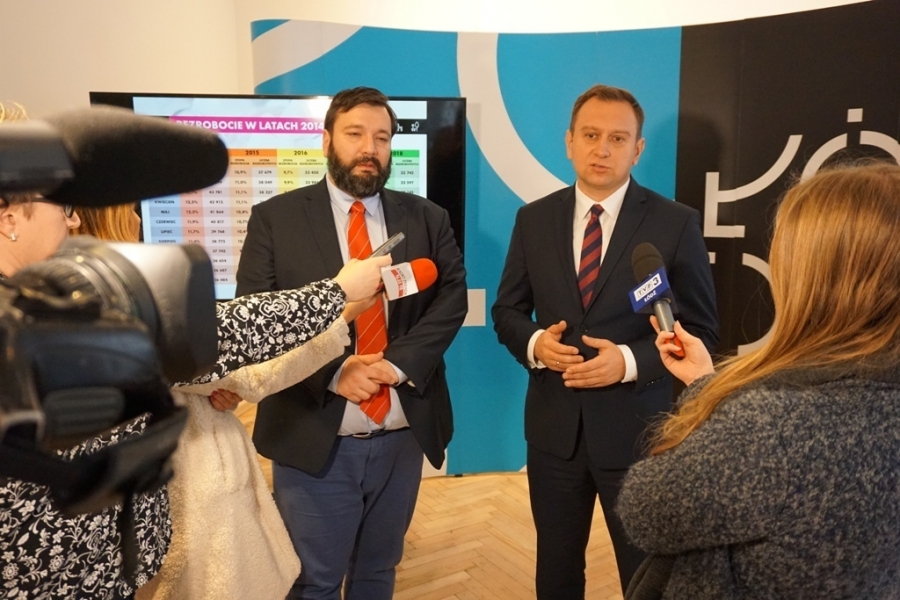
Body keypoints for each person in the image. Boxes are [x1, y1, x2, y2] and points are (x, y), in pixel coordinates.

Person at [0, 110, 389, 597]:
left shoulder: (38, 306)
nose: (73, 220)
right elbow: (227, 333)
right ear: (9, 218)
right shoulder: (36, 327)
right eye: (63, 205)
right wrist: (336, 294)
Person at [617, 162, 900, 599]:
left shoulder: (775, 426)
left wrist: (711, 410)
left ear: (815, 275)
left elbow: (644, 510)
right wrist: (704, 382)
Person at [70, 204, 382, 599]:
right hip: (193, 498)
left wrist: (201, 387)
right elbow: (254, 370)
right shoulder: (125, 307)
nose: (138, 219)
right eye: (130, 209)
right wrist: (343, 305)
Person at [236, 86, 468, 599]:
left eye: (382, 138)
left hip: (402, 432)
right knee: (313, 581)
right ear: (326, 141)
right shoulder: (275, 219)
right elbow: (257, 322)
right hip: (314, 432)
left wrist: (396, 365)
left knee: (377, 573)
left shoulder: (427, 217)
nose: (370, 148)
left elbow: (452, 299)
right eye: (356, 134)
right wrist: (334, 372)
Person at [491, 84, 719, 596]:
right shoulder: (533, 219)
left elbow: (702, 331)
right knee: (556, 572)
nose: (602, 149)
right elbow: (506, 311)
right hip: (554, 434)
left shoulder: (675, 223)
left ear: (638, 149)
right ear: (569, 141)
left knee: (644, 576)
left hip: (638, 433)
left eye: (618, 138)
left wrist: (629, 362)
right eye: (591, 135)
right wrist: (535, 344)